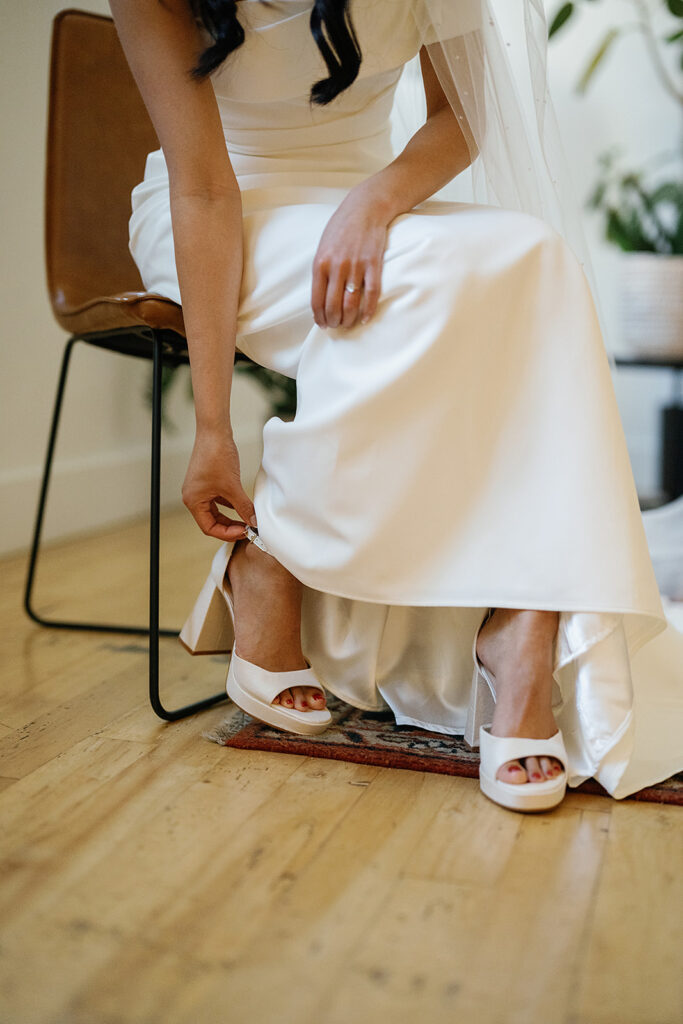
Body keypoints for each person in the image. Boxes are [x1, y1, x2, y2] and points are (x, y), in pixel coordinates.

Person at [111, 0, 683, 813]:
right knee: (418, 286)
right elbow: (203, 191)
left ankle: (525, 624)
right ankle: (269, 560)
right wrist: (211, 431)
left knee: (536, 256)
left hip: (367, 200)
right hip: (220, 208)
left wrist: (373, 204)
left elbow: (459, 119)